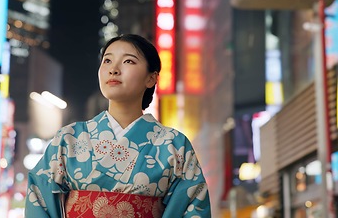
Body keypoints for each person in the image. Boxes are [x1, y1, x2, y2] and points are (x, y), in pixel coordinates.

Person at [25, 34, 211, 217]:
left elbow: (193, 207)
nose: (113, 69)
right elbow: (39, 197)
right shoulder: (68, 138)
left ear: (151, 78)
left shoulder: (174, 145)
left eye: (128, 61)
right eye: (107, 61)